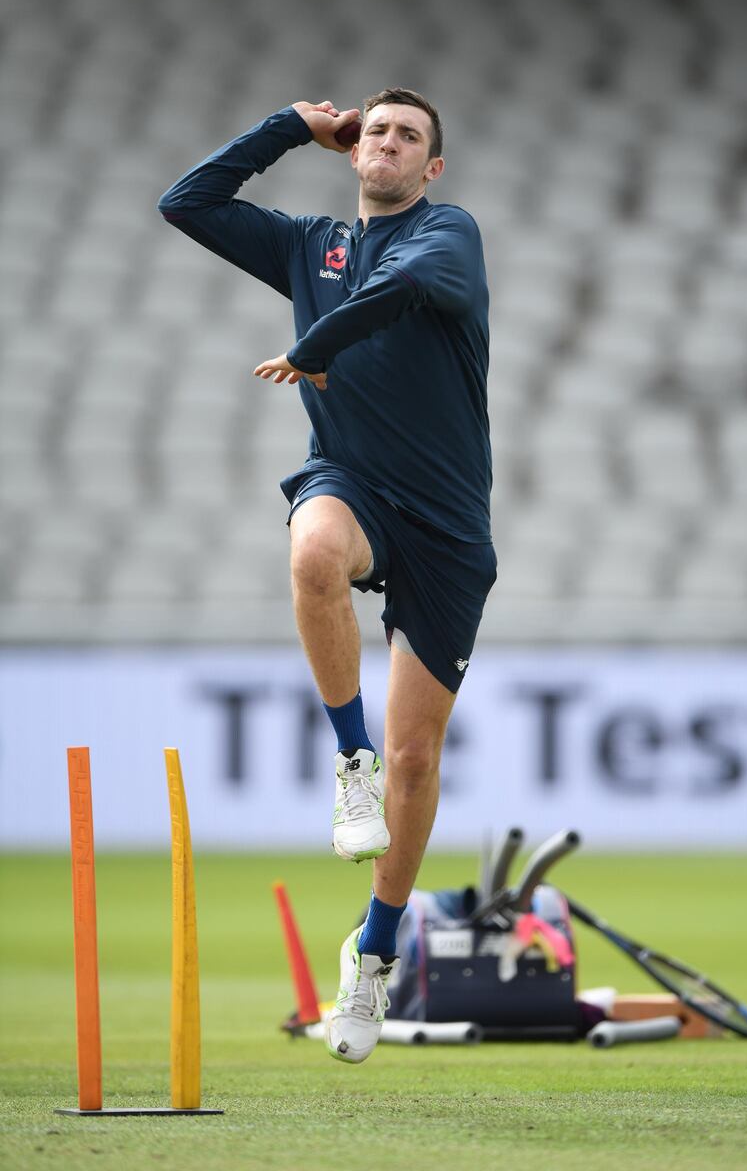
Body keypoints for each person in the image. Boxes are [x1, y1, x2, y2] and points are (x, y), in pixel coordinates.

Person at [158, 88, 495, 1063]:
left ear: (429, 168)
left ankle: (375, 951)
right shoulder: (311, 244)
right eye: (377, 131)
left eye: (408, 138)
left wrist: (312, 346)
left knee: (420, 761)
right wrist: (286, 127)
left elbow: (394, 294)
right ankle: (349, 768)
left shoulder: (449, 233)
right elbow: (187, 203)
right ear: (356, 151)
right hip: (350, 484)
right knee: (310, 550)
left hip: (443, 523)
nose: (387, 144)